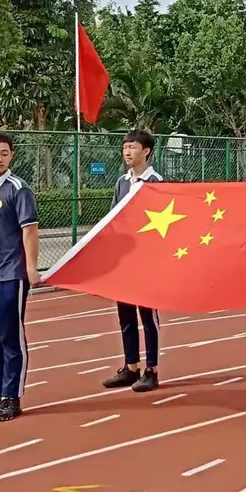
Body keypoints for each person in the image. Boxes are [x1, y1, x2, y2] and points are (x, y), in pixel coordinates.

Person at [0, 130, 40, 423]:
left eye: (4, 153)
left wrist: (31, 268)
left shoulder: (18, 189)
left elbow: (29, 230)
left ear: (11, 155)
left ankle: (11, 396)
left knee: (10, 337)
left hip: (9, 274)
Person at [102, 130, 164, 393]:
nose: (127, 152)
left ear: (146, 151)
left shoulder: (157, 182)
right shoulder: (121, 182)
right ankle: (130, 366)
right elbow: (116, 218)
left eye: (133, 147)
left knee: (148, 316)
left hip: (148, 261)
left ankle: (152, 369)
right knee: (125, 315)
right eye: (125, 147)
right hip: (125, 261)